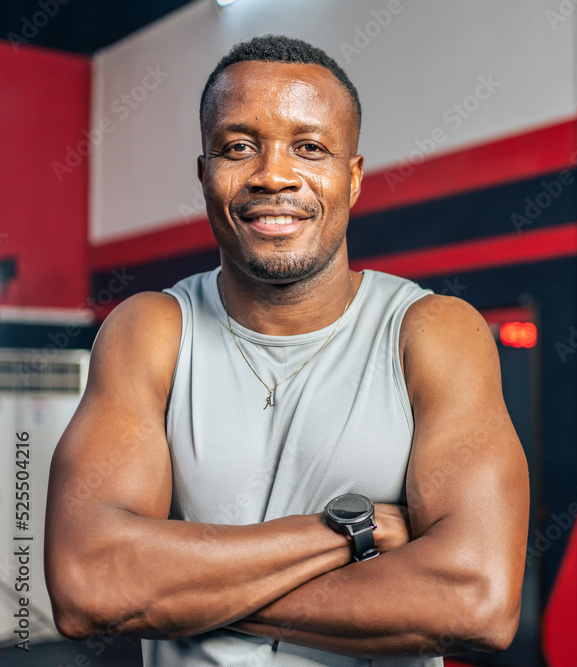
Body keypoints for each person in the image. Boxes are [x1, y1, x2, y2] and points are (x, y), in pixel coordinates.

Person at [44, 35, 530, 666]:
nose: (273, 175)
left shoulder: (433, 332)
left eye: (309, 147)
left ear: (351, 179)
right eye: (239, 147)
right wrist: (347, 531)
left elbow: (476, 601)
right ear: (204, 175)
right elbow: (90, 588)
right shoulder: (152, 331)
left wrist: (178, 588)